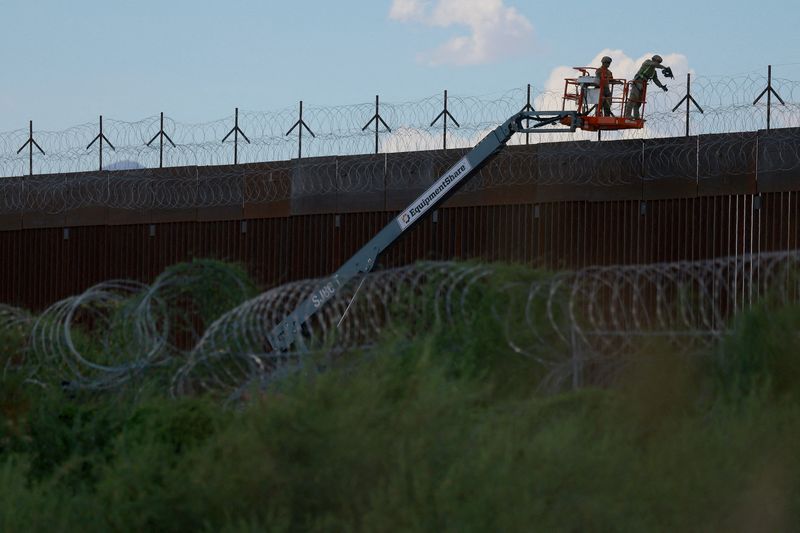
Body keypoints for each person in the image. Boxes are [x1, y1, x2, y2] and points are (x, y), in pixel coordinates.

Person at [624, 55, 669, 120]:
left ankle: (636, 117)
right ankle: (627, 115)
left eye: (659, 62)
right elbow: (654, 64)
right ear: (654, 59)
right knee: (633, 98)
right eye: (658, 61)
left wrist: (661, 86)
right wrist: (664, 68)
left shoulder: (654, 71)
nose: (658, 63)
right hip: (637, 82)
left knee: (639, 101)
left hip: (643, 85)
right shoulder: (647, 62)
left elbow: (655, 80)